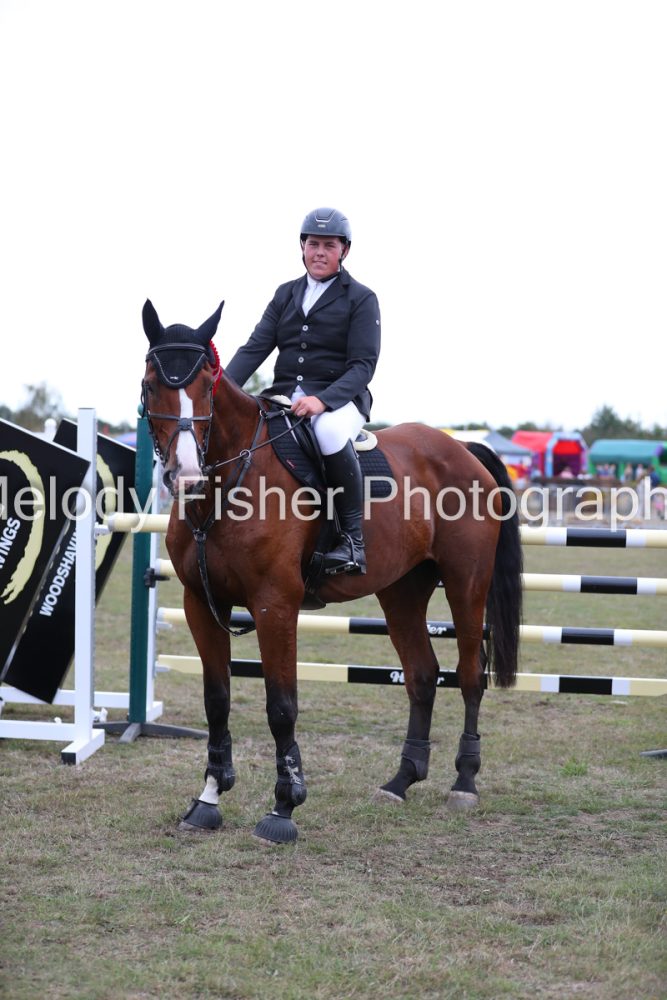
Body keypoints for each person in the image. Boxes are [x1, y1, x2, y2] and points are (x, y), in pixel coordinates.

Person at [225, 207, 381, 575]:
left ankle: (353, 542)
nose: (320, 252)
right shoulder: (286, 294)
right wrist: (220, 391)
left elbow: (363, 365)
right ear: (302, 246)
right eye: (313, 244)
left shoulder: (361, 298)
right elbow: (254, 348)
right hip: (283, 398)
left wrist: (323, 400)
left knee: (327, 432)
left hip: (340, 401)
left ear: (344, 250)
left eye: (329, 246)